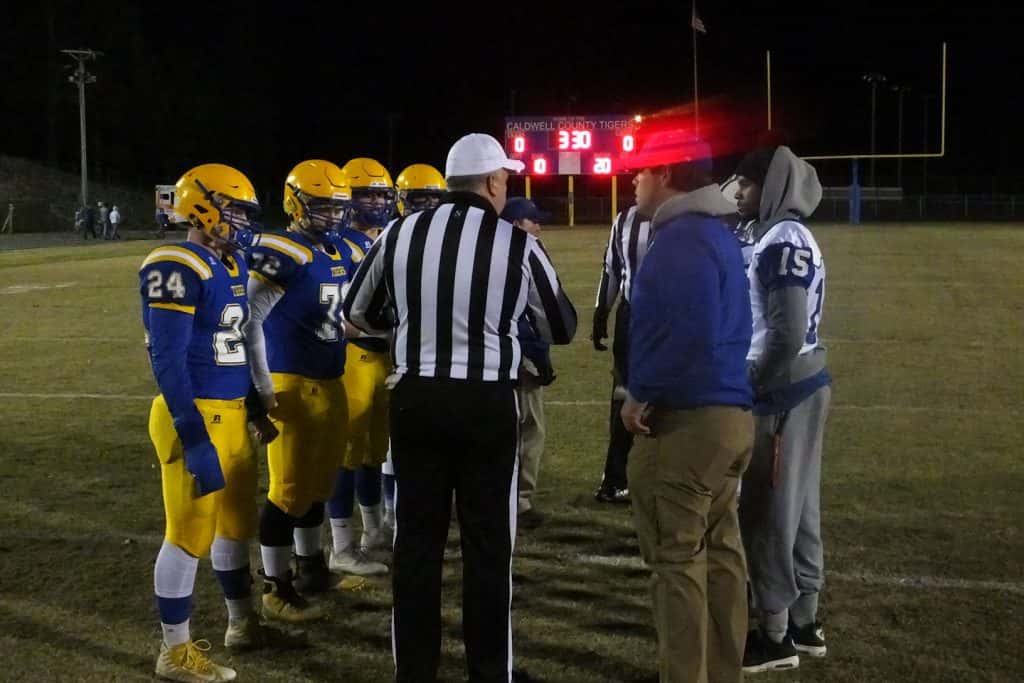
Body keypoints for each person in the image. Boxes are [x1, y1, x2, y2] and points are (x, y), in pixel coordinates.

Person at [344, 132, 577, 682]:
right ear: (493, 182)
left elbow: (357, 313)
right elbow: (561, 325)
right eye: (506, 179)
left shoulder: (398, 232)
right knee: (488, 550)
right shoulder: (516, 242)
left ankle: (415, 673)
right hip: (486, 403)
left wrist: (408, 331)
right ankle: (489, 673)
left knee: (416, 546)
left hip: (417, 400)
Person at [139, 163, 299, 683]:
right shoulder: (175, 263)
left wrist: (251, 406)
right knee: (188, 534)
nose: (243, 222)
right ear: (200, 207)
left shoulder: (227, 261)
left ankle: (242, 623)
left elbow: (231, 347)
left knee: (235, 525)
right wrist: (192, 435)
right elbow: (167, 360)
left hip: (230, 414)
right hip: (196, 415)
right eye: (234, 210)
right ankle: (174, 652)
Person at [620, 125, 754, 683]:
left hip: (689, 422)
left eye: (642, 170)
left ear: (667, 173)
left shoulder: (682, 239)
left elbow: (685, 330)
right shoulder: (717, 234)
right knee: (720, 555)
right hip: (730, 416)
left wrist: (639, 395)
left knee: (677, 563)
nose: (634, 180)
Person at [242, 160, 357, 618]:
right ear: (295, 204)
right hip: (291, 381)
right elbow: (249, 319)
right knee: (288, 490)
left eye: (338, 206)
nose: (333, 215)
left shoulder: (336, 249)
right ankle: (276, 587)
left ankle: (312, 566)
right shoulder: (282, 250)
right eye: (322, 206)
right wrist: (260, 387)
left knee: (319, 484)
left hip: (330, 378)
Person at [731, 146, 831, 675]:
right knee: (801, 507)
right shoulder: (791, 235)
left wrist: (754, 384)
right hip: (806, 381)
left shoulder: (781, 240)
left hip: (782, 391)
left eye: (747, 184)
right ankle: (805, 622)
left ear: (770, 187)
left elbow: (786, 331)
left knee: (768, 511)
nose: (739, 193)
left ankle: (775, 635)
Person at [324, 157, 397, 576]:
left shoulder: (378, 240)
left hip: (380, 358)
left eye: (381, 194)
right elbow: (340, 316)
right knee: (347, 455)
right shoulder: (341, 246)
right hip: (354, 357)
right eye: (367, 194)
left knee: (373, 452)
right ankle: (341, 545)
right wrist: (386, 328)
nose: (377, 202)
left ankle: (372, 532)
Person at [500, 197, 556, 530]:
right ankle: (518, 501)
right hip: (520, 354)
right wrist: (539, 357)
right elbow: (533, 314)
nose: (538, 227)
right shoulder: (523, 252)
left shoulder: (484, 249)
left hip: (493, 354)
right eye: (532, 221)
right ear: (516, 223)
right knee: (528, 429)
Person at [592, 203, 651, 504]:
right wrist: (601, 310)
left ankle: (658, 478)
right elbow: (612, 266)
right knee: (624, 393)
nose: (637, 181)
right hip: (632, 315)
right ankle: (616, 479)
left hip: (673, 315)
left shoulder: (688, 216)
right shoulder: (625, 218)